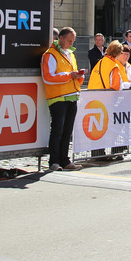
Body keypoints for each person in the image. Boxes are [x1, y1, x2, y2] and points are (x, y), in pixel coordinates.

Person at [41, 27, 86, 171]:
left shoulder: (70, 54)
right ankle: (54, 161)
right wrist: (70, 76)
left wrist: (78, 76)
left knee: (67, 131)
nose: (71, 43)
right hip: (58, 97)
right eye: (69, 40)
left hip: (71, 96)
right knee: (58, 130)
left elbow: (72, 75)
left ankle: (65, 160)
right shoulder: (50, 54)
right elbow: (48, 77)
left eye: (73, 41)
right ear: (60, 38)